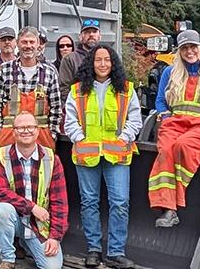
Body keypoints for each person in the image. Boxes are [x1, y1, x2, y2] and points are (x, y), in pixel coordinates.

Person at [62, 44, 141, 269]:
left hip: (117, 156)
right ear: (91, 63)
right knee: (89, 202)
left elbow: (135, 118)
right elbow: (70, 120)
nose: (103, 64)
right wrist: (79, 138)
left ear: (113, 63)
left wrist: (124, 138)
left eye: (107, 60)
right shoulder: (77, 90)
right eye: (98, 60)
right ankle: (93, 250)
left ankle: (116, 252)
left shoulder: (126, 89)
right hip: (87, 156)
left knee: (120, 202)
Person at [148, 30, 200, 228]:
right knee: (166, 151)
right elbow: (160, 100)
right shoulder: (170, 72)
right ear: (179, 51)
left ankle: (175, 203)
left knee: (183, 147)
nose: (189, 51)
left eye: (193, 47)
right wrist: (166, 115)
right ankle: (169, 209)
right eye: (185, 48)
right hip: (174, 122)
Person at [0, 113, 70, 269]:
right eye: (20, 127)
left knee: (52, 267)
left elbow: (60, 202)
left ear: (37, 131)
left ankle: (24, 242)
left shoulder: (51, 159)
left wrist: (55, 237)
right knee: (2, 210)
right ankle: (8, 259)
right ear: (13, 131)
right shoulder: (0, 156)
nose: (26, 131)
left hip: (37, 225)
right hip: (13, 218)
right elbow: (0, 191)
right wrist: (32, 207)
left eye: (30, 127)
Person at [0, 27, 64, 148]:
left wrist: (52, 134)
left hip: (42, 138)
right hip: (9, 137)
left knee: (43, 167)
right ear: (17, 43)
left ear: (38, 44)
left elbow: (56, 109)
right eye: (24, 42)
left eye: (31, 42)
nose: (28, 46)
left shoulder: (49, 72)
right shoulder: (4, 70)